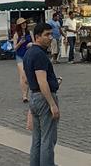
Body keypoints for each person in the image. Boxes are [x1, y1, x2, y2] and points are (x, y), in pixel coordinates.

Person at [23, 22, 60, 166]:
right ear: (38, 37)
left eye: (51, 34)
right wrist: (52, 104)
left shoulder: (29, 53)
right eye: (47, 35)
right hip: (43, 98)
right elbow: (42, 81)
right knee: (48, 140)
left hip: (34, 96)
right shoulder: (39, 54)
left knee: (37, 140)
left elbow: (26, 79)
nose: (50, 37)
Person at [12, 18, 33, 102]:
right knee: (23, 75)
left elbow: (35, 43)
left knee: (27, 76)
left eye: (25, 23)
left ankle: (26, 94)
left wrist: (30, 44)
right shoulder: (16, 34)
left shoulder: (30, 33)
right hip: (20, 56)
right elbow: (14, 48)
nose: (24, 24)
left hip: (28, 55)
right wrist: (20, 42)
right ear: (19, 26)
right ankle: (24, 96)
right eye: (22, 23)